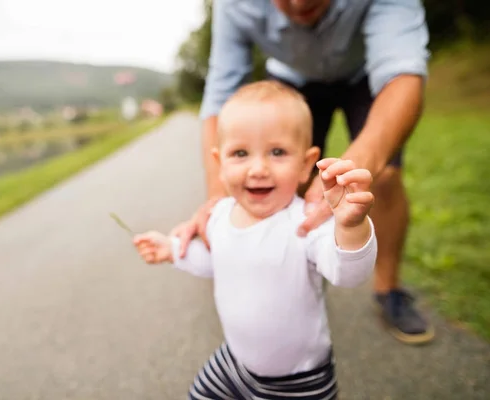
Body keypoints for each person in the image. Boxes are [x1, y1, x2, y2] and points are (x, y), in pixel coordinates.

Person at [171, 0, 434, 344]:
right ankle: (294, 275)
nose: (298, 3)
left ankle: (389, 291)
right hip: (292, 79)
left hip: (367, 74)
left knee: (381, 178)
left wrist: (350, 173)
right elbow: (221, 96)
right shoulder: (235, 5)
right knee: (282, 186)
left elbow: (404, 73)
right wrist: (217, 198)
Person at [132, 81, 377, 399]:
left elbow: (349, 275)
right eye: (240, 153)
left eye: (277, 152)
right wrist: (172, 249)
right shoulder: (219, 214)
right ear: (220, 164)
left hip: (297, 380)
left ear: (306, 164)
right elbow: (215, 259)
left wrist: (352, 227)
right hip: (234, 362)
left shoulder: (305, 223)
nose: (258, 168)